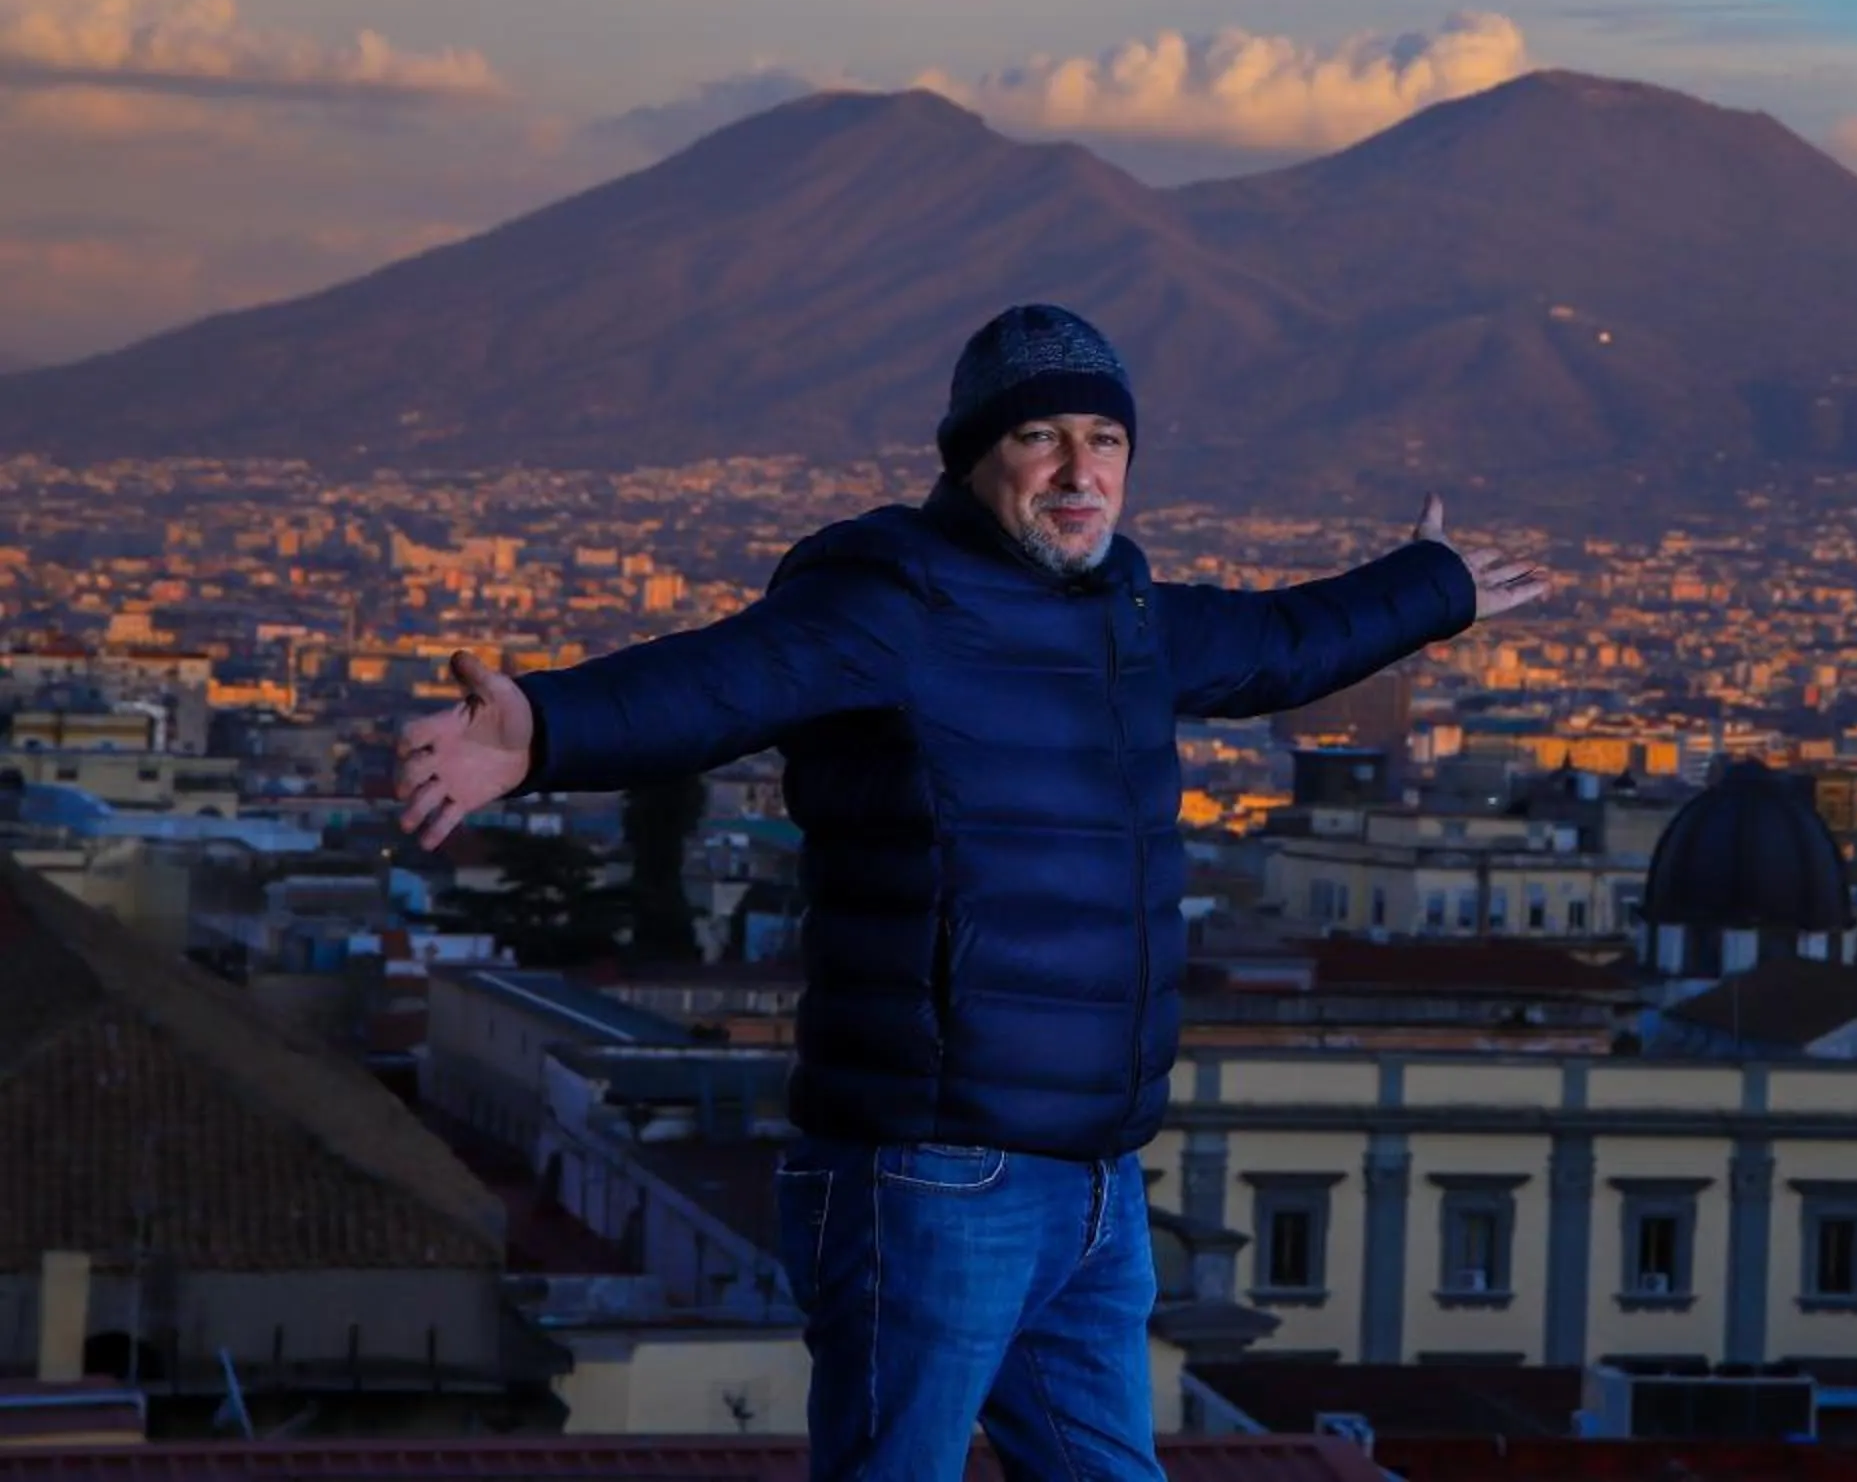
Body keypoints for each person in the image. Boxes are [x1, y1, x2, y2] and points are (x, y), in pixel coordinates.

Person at [393, 303, 1549, 1481]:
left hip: (1093, 1176)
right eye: (1039, 438)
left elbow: (1282, 640)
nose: (1077, 470)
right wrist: (543, 727)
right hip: (934, 1169)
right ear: (972, 455)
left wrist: (1431, 585)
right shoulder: (895, 598)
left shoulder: (1129, 612)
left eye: (1103, 439)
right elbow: (728, 679)